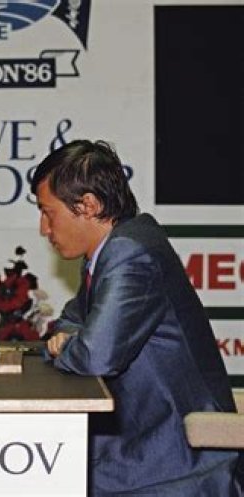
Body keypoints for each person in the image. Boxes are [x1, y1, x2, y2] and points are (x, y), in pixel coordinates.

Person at [31, 139, 241, 496]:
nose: (43, 229)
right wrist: (69, 339)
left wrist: (64, 346)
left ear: (89, 205)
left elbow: (96, 354)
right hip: (142, 443)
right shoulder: (110, 248)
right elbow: (70, 320)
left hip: (174, 459)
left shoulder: (129, 252)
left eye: (48, 213)